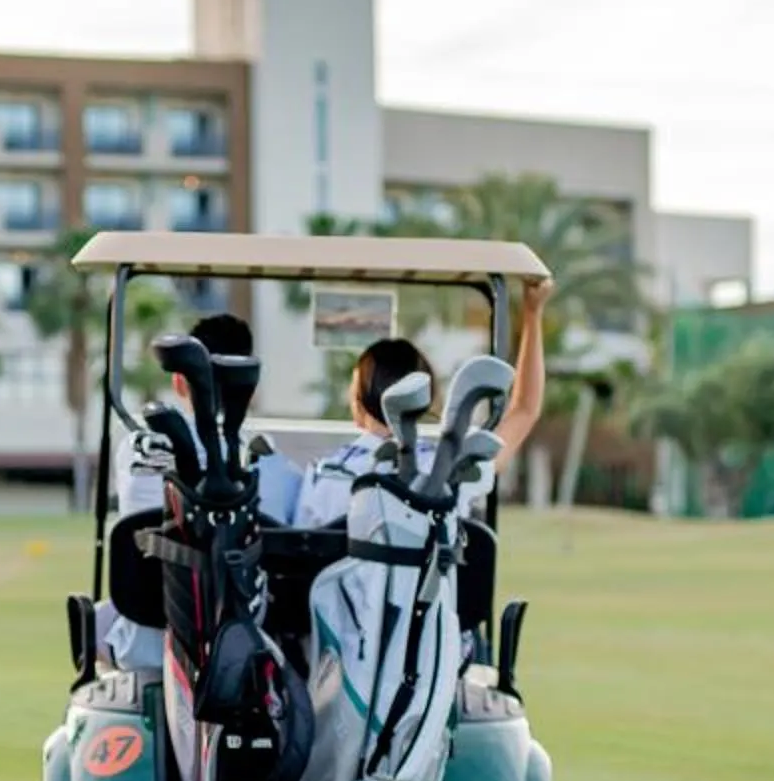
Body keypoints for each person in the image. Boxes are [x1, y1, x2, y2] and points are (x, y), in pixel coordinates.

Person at [103, 311, 300, 669]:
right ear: (250, 385)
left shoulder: (136, 450)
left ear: (180, 381)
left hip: (147, 646)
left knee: (97, 623)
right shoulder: (280, 469)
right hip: (252, 652)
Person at [292, 275, 550, 529]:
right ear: (426, 398)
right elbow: (525, 409)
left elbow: (302, 544)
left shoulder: (325, 475)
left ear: (357, 402)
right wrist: (532, 312)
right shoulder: (451, 467)